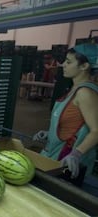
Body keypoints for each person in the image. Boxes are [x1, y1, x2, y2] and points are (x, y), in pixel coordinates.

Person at [33, 43, 98, 179]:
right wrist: (50, 133)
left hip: (66, 163)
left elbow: (96, 130)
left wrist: (76, 154)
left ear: (84, 66)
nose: (63, 65)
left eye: (69, 62)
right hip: (54, 156)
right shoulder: (74, 90)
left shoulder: (85, 93)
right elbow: (73, 123)